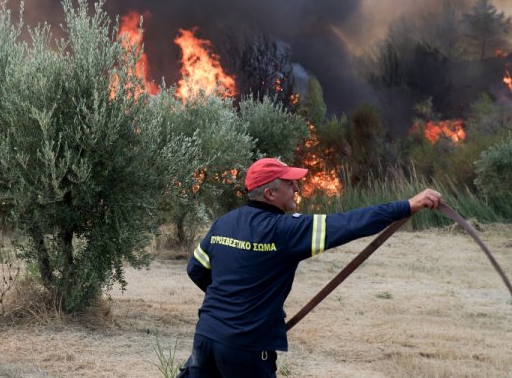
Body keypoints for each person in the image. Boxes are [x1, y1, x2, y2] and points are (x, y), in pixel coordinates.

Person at [179, 157, 443, 377]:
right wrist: (407, 206)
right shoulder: (286, 230)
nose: (296, 188)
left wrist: (233, 301)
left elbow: (196, 269)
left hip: (205, 339)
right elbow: (349, 223)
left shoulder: (223, 223)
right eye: (289, 184)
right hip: (246, 348)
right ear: (270, 194)